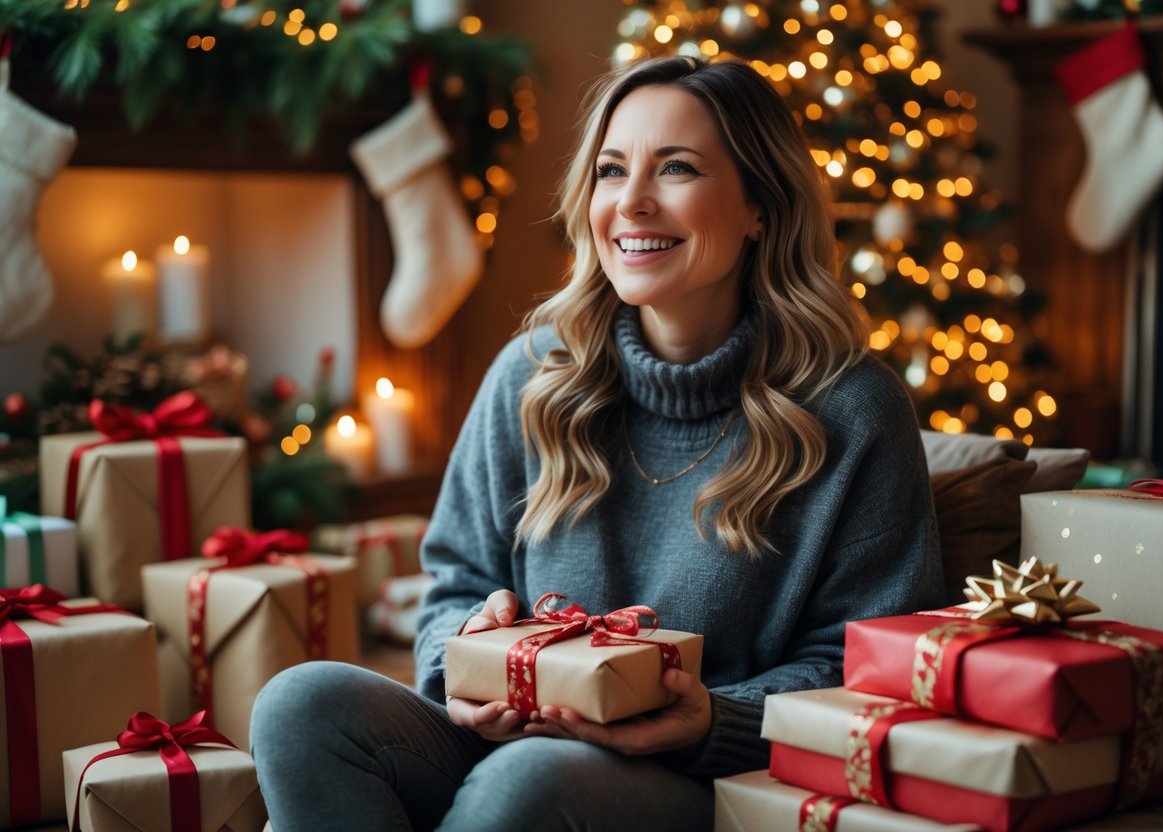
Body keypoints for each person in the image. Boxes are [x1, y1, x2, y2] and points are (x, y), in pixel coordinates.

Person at [251, 55, 944, 831]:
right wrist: (468, 662)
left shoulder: (851, 408)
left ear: (760, 207)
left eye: (676, 168)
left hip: (700, 774)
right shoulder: (532, 375)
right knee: (299, 703)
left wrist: (714, 716)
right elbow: (453, 584)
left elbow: (868, 669)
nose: (632, 203)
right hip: (509, 743)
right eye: (611, 171)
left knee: (530, 782)